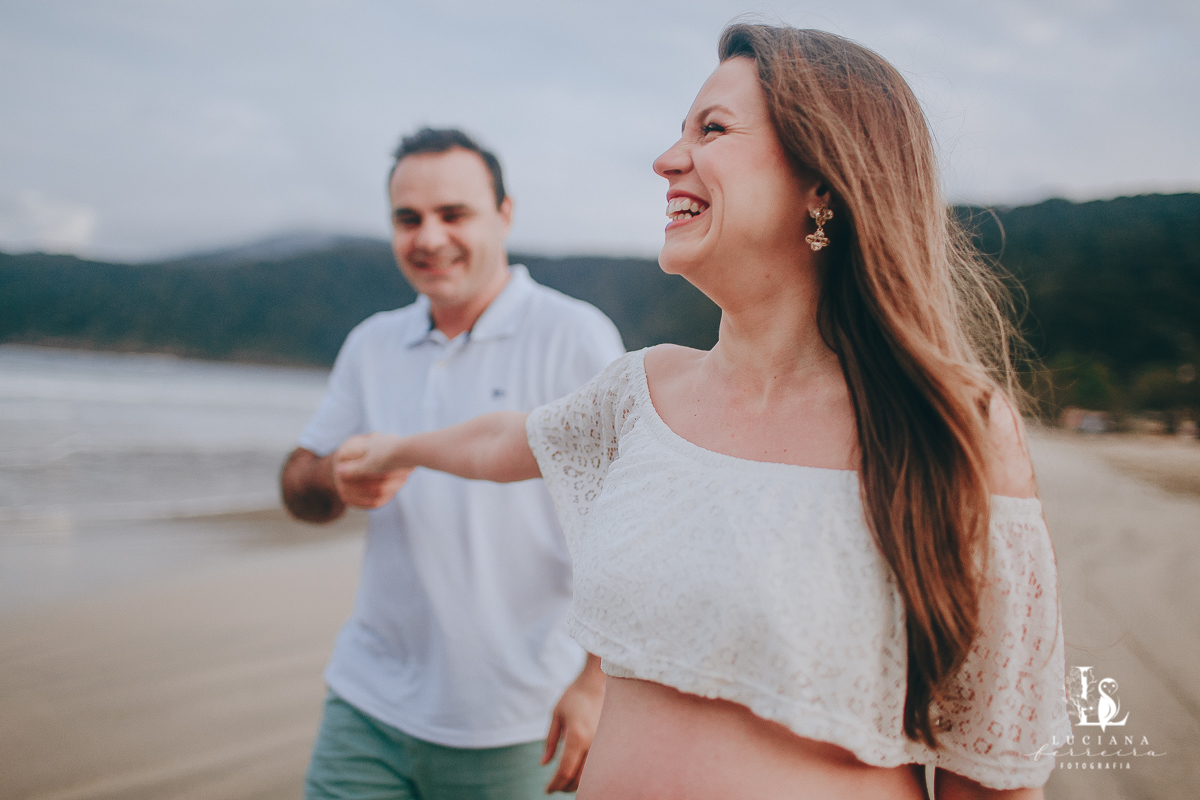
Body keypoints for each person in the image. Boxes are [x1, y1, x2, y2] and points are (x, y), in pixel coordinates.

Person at [331, 26, 1070, 800]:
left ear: (824, 179)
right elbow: (505, 440)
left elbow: (993, 771)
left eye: (711, 129)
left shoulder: (949, 429)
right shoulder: (643, 392)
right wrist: (392, 450)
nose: (666, 159)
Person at [281, 127, 625, 799]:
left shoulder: (574, 336)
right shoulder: (372, 343)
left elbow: (632, 519)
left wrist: (595, 683)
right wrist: (334, 479)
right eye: (408, 219)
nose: (429, 238)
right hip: (366, 704)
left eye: (453, 214)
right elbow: (298, 483)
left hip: (522, 720)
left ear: (505, 214)